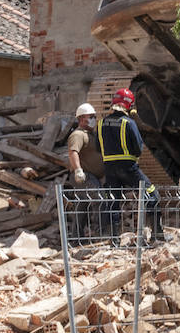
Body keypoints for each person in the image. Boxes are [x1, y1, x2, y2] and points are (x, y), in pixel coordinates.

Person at [97, 87, 160, 242]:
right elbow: (138, 149)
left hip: (110, 170)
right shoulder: (129, 123)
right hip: (129, 168)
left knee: (113, 202)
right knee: (153, 195)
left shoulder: (100, 124)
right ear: (129, 105)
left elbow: (98, 148)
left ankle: (114, 240)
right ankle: (158, 235)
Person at [66, 102, 104, 238]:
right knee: (99, 199)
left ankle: (77, 237)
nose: (94, 119)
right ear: (82, 118)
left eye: (94, 116)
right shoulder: (78, 135)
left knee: (82, 205)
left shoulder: (90, 134)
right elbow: (73, 152)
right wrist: (78, 170)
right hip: (84, 176)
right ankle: (100, 233)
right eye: (91, 116)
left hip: (92, 176)